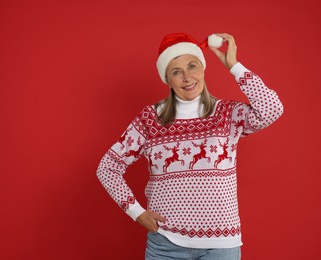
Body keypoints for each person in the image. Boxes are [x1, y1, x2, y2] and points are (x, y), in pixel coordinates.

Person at [96, 32, 284, 260]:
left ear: (203, 69)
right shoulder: (151, 119)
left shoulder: (226, 114)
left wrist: (233, 65)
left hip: (221, 245)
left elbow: (272, 108)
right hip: (166, 244)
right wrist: (137, 213)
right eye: (176, 72)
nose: (187, 77)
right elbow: (108, 167)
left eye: (192, 66)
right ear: (167, 79)